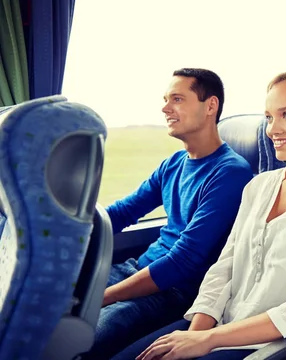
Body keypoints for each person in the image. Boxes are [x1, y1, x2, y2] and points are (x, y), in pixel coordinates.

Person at [112, 67, 286, 360]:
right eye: (269, 117)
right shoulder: (259, 186)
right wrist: (196, 335)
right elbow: (224, 269)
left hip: (274, 343)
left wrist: (209, 340)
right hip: (220, 326)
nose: (272, 129)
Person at [87, 69, 254, 359]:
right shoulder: (174, 163)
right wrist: (63, 231)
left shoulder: (230, 173)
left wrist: (102, 298)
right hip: (136, 269)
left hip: (174, 291)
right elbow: (123, 212)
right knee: (47, 307)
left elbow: (183, 261)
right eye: (165, 100)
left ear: (210, 106)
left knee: (83, 339)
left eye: (177, 99)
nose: (165, 108)